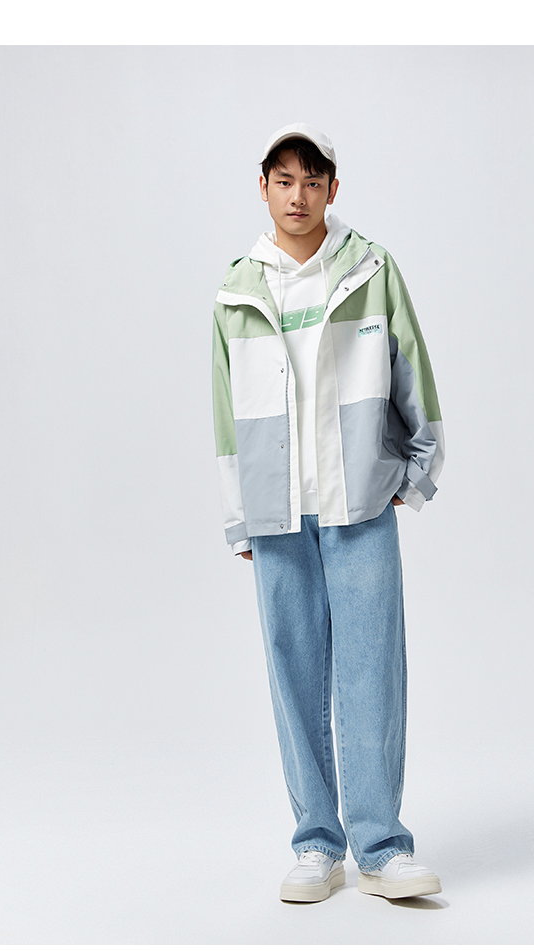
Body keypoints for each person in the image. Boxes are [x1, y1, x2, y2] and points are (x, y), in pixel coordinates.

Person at [211, 123, 445, 903]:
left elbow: (413, 372)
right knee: (294, 675)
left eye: (313, 180)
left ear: (332, 188)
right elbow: (225, 413)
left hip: (359, 505)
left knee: (372, 674)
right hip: (278, 513)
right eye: (284, 180)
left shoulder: (371, 269)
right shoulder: (237, 291)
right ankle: (317, 845)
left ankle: (381, 849)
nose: (299, 195)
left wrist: (415, 475)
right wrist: (239, 515)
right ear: (264, 187)